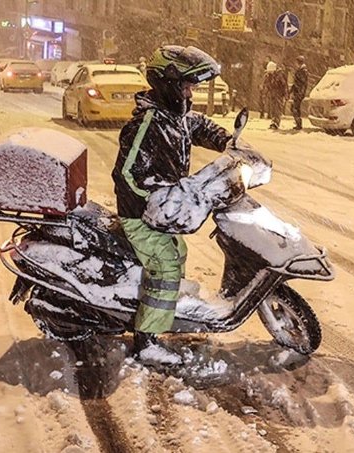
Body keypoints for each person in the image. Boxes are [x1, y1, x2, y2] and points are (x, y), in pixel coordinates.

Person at [111, 45, 233, 366]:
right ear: (168, 83)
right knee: (165, 263)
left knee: (177, 251)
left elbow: (198, 125)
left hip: (161, 213)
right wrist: (158, 195)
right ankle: (147, 341)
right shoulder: (148, 124)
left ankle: (161, 305)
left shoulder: (174, 117)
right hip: (141, 213)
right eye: (186, 85)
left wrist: (228, 141)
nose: (190, 91)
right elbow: (127, 173)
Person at [264, 62, 288, 130]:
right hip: (272, 94)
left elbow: (284, 85)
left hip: (279, 95)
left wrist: (285, 94)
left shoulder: (280, 75)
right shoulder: (269, 76)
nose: (270, 73)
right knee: (273, 108)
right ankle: (273, 121)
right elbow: (267, 85)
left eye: (271, 72)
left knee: (277, 108)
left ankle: (276, 122)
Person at [289, 55, 308, 130]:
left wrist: (299, 92)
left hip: (299, 92)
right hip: (298, 92)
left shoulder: (303, 71)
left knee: (294, 108)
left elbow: (302, 83)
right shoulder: (301, 70)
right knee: (295, 108)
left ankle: (298, 123)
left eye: (296, 62)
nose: (295, 64)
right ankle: (298, 123)